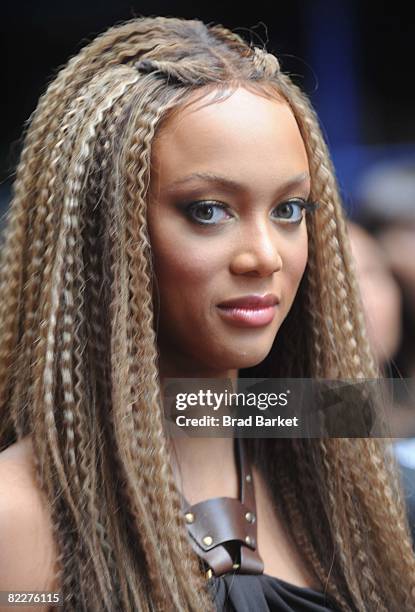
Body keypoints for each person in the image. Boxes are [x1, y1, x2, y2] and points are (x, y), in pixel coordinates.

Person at [0, 16, 414, 612]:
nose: (264, 256)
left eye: (290, 209)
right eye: (209, 211)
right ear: (100, 234)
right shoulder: (21, 517)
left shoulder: (353, 475)